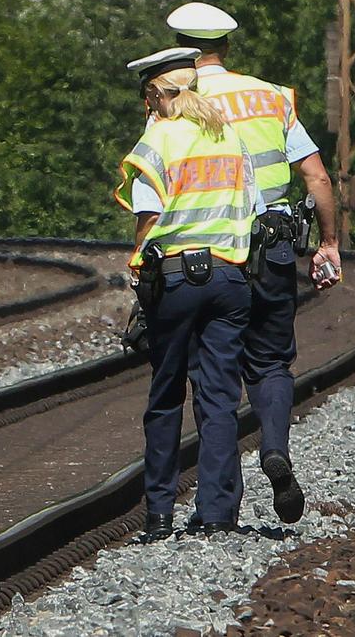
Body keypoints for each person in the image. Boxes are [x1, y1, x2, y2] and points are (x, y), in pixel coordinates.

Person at [165, 1, 343, 525]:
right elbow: (317, 177)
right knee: (270, 362)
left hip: (213, 254)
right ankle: (275, 448)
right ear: (227, 46)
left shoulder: (176, 101)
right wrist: (328, 243)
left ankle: (219, 506)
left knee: (214, 378)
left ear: (180, 45)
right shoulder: (272, 96)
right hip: (273, 249)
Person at [114, 47, 264, 539]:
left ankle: (159, 514)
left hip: (175, 278)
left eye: (147, 97)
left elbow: (149, 217)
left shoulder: (157, 138)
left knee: (166, 395)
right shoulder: (231, 135)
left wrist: (139, 270)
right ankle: (218, 512)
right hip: (229, 278)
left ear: (157, 95)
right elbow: (254, 206)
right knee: (219, 398)